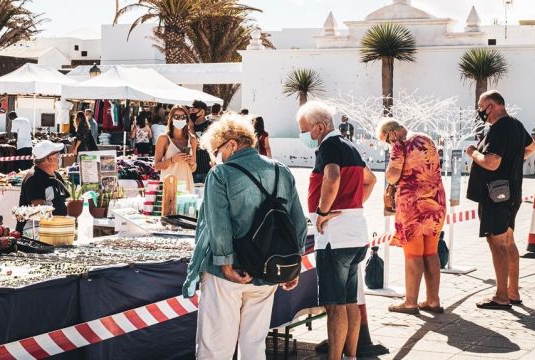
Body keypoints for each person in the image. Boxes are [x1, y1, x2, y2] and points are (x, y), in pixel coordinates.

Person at [183, 113, 307, 360]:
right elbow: (297, 223)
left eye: (215, 151)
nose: (214, 158)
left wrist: (226, 265)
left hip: (227, 275)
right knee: (254, 346)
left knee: (215, 348)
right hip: (267, 271)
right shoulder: (281, 170)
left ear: (231, 144)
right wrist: (293, 264)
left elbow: (218, 227)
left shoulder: (221, 174)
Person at [297, 101, 377, 360]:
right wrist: (353, 203)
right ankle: (350, 356)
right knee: (350, 300)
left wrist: (322, 211)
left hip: (336, 236)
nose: (303, 135)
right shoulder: (349, 145)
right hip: (355, 232)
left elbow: (332, 177)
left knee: (335, 305)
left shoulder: (329, 146)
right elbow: (371, 179)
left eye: (304, 129)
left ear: (319, 128)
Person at [466, 90, 535, 310]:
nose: (479, 111)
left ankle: (501, 296)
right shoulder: (515, 124)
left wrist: (473, 153)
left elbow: (491, 163)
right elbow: (532, 147)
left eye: (481, 106)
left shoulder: (498, 128)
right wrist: (514, 161)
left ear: (492, 106)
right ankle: (513, 293)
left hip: (495, 195)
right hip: (512, 192)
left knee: (497, 243)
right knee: (508, 241)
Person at [377, 118, 446, 314]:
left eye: (386, 140)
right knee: (431, 252)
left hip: (413, 205)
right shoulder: (425, 138)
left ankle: (410, 302)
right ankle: (433, 300)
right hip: (435, 201)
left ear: (391, 134)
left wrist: (393, 155)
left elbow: (392, 176)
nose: (388, 144)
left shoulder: (399, 145)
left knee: (413, 254)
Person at [18, 141, 70, 216]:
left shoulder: (56, 175)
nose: (59, 157)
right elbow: (39, 213)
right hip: (37, 226)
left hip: (58, 225)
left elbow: (66, 200)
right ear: (49, 158)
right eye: (57, 155)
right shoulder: (34, 178)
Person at [154, 105, 197, 192]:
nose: (180, 119)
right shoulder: (163, 138)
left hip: (186, 187)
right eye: (176, 116)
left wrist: (192, 162)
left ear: (187, 119)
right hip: (169, 186)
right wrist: (172, 160)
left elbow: (193, 169)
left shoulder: (192, 139)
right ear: (171, 118)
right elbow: (157, 166)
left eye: (183, 117)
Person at [190, 100, 213, 184]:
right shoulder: (187, 126)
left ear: (202, 111)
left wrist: (191, 128)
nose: (190, 113)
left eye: (193, 110)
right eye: (190, 110)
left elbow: (200, 145)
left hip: (206, 169)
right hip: (191, 169)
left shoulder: (210, 125)